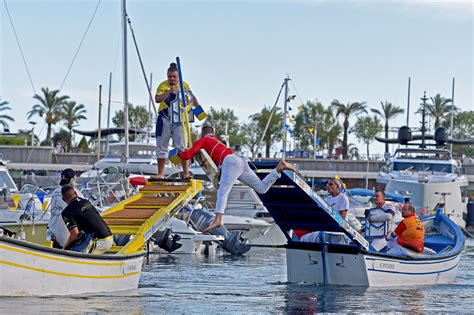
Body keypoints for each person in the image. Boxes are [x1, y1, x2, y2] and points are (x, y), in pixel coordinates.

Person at [177, 125, 298, 233]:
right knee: (261, 188)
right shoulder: (217, 141)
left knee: (222, 192)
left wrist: (178, 153)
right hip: (240, 160)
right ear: (214, 134)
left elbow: (187, 155)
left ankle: (218, 220)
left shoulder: (203, 140)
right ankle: (279, 168)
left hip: (230, 163)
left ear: (202, 134)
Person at [154, 62, 200, 179]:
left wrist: (198, 109)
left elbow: (192, 97)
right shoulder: (163, 85)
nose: (172, 79)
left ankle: (186, 173)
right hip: (165, 118)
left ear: (178, 76)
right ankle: (160, 173)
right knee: (162, 146)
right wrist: (169, 91)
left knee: (183, 146)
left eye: (174, 76)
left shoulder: (184, 85)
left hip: (180, 119)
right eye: (170, 76)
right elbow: (157, 99)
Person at [299, 179, 360, 244]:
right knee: (304, 239)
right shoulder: (327, 199)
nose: (328, 186)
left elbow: (342, 217)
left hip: (337, 232)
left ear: (337, 186)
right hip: (326, 230)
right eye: (327, 185)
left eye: (331, 184)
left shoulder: (343, 198)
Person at [61, 184, 113, 254]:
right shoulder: (86, 201)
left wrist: (63, 250)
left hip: (100, 241)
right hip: (109, 236)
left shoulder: (67, 212)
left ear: (63, 199)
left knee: (73, 255)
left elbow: (74, 234)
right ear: (76, 193)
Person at [47, 168, 84, 248]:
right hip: (69, 238)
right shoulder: (78, 194)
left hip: (53, 236)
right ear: (73, 179)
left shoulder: (55, 193)